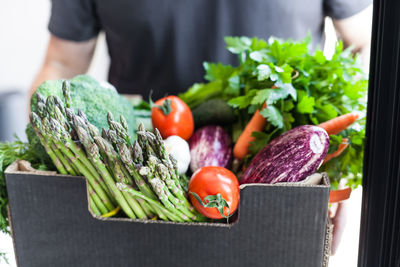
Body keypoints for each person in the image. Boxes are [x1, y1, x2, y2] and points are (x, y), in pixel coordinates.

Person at [30, 0, 372, 99]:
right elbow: (61, 64)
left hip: (283, 182)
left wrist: (336, 167)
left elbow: (363, 43)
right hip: (138, 180)